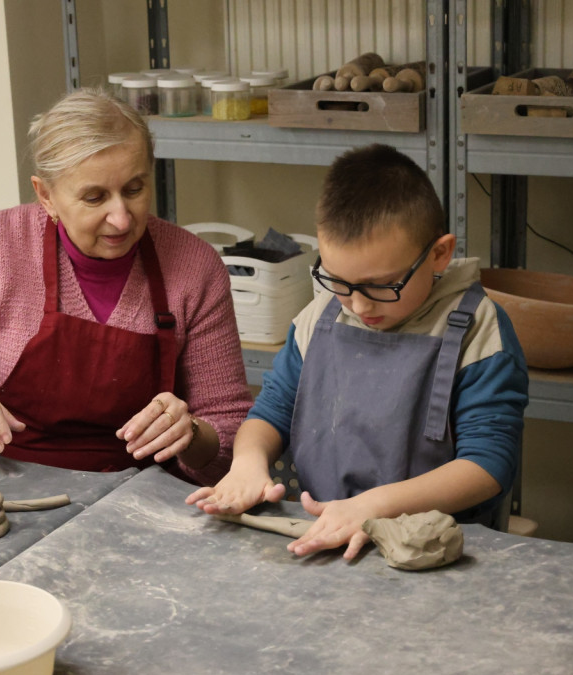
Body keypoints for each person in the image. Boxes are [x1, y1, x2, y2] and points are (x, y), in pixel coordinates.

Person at [0, 88, 253, 485]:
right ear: (46, 195)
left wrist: (193, 433)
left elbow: (231, 440)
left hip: (147, 501)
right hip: (14, 497)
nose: (122, 218)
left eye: (134, 189)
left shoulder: (195, 268)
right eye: (94, 198)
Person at [187, 143, 528, 557]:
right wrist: (248, 462)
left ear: (439, 254)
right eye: (340, 282)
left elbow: (487, 466)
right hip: (323, 537)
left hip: (432, 549)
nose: (361, 305)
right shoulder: (320, 319)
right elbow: (270, 414)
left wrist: (371, 508)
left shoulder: (479, 329)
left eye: (382, 285)